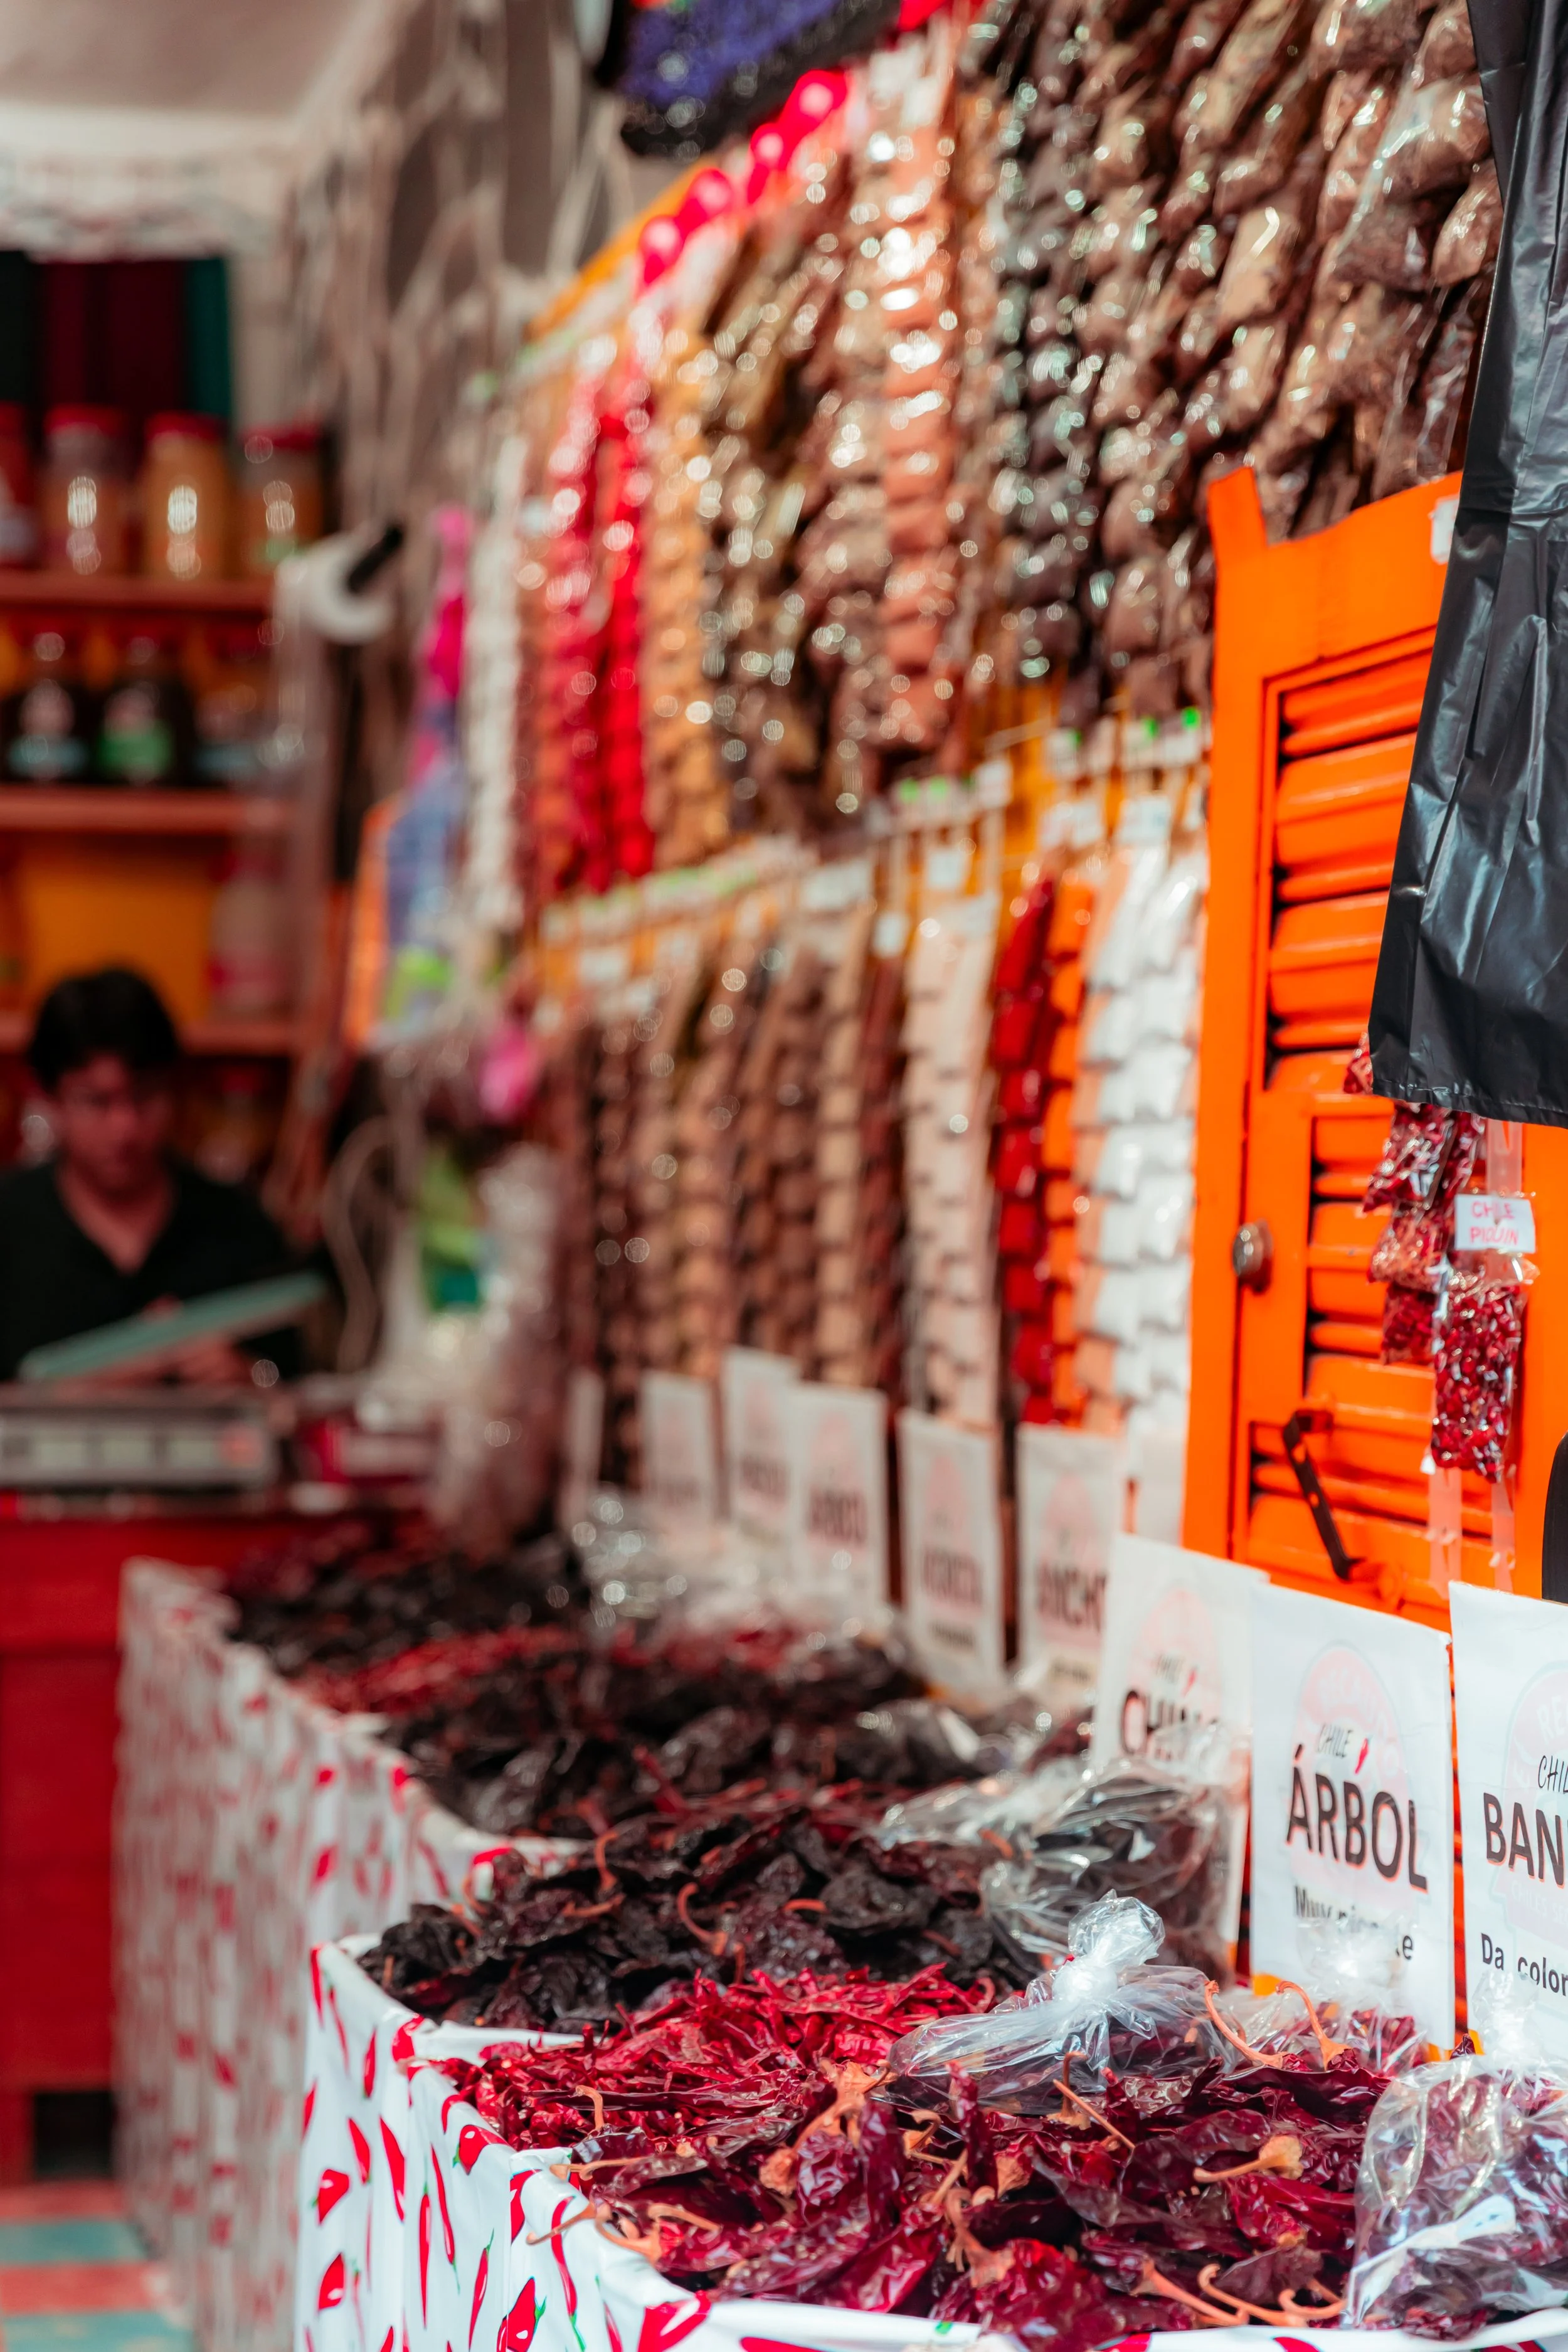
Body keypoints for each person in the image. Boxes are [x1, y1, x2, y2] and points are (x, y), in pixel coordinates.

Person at [0, 968, 297, 1384]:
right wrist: (77, 1389)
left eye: (144, 1094)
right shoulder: (9, 1226)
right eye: (95, 1101)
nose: (125, 1128)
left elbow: (299, 1385)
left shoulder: (239, 1225)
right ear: (48, 1098)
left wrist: (250, 1377)